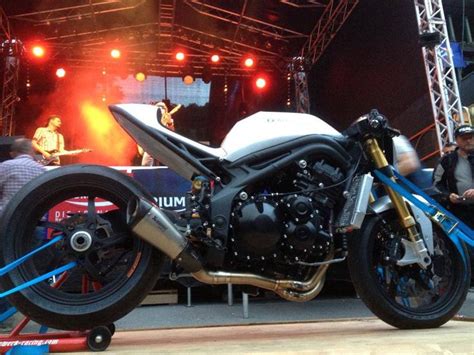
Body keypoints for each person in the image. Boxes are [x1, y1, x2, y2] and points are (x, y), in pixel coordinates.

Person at [0, 138, 45, 331]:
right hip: (31, 226)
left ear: (12, 152)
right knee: (21, 271)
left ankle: (3, 318)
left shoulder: (6, 166)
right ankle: (18, 314)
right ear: (32, 152)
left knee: (3, 268)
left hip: (5, 223)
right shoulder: (41, 171)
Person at [433, 124, 474, 228]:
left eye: (471, 137)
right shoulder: (447, 161)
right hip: (461, 212)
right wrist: (448, 196)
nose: (468, 140)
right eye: (464, 138)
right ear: (457, 140)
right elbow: (436, 184)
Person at [140, 101, 182, 166]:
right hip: (152, 148)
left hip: (164, 149)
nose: (160, 109)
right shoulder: (149, 120)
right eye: (158, 107)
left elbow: (172, 136)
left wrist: (169, 123)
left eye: (163, 107)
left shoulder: (168, 120)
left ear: (166, 111)